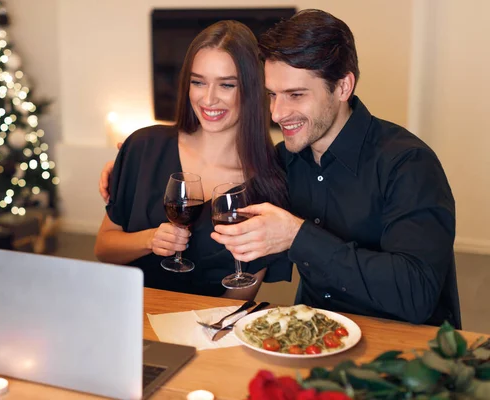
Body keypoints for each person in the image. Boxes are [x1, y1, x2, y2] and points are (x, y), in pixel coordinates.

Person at [210, 9, 461, 328]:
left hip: (404, 352)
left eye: (296, 95)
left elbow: (416, 294)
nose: (276, 113)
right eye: (272, 95)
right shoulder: (286, 158)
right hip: (315, 336)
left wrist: (297, 236)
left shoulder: (409, 163)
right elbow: (226, 220)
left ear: (343, 87)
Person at [94, 21, 290, 300]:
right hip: (132, 319)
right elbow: (103, 248)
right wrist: (149, 240)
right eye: (198, 82)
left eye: (227, 85)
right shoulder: (144, 147)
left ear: (251, 89)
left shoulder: (268, 183)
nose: (208, 99)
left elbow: (239, 298)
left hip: (209, 333)